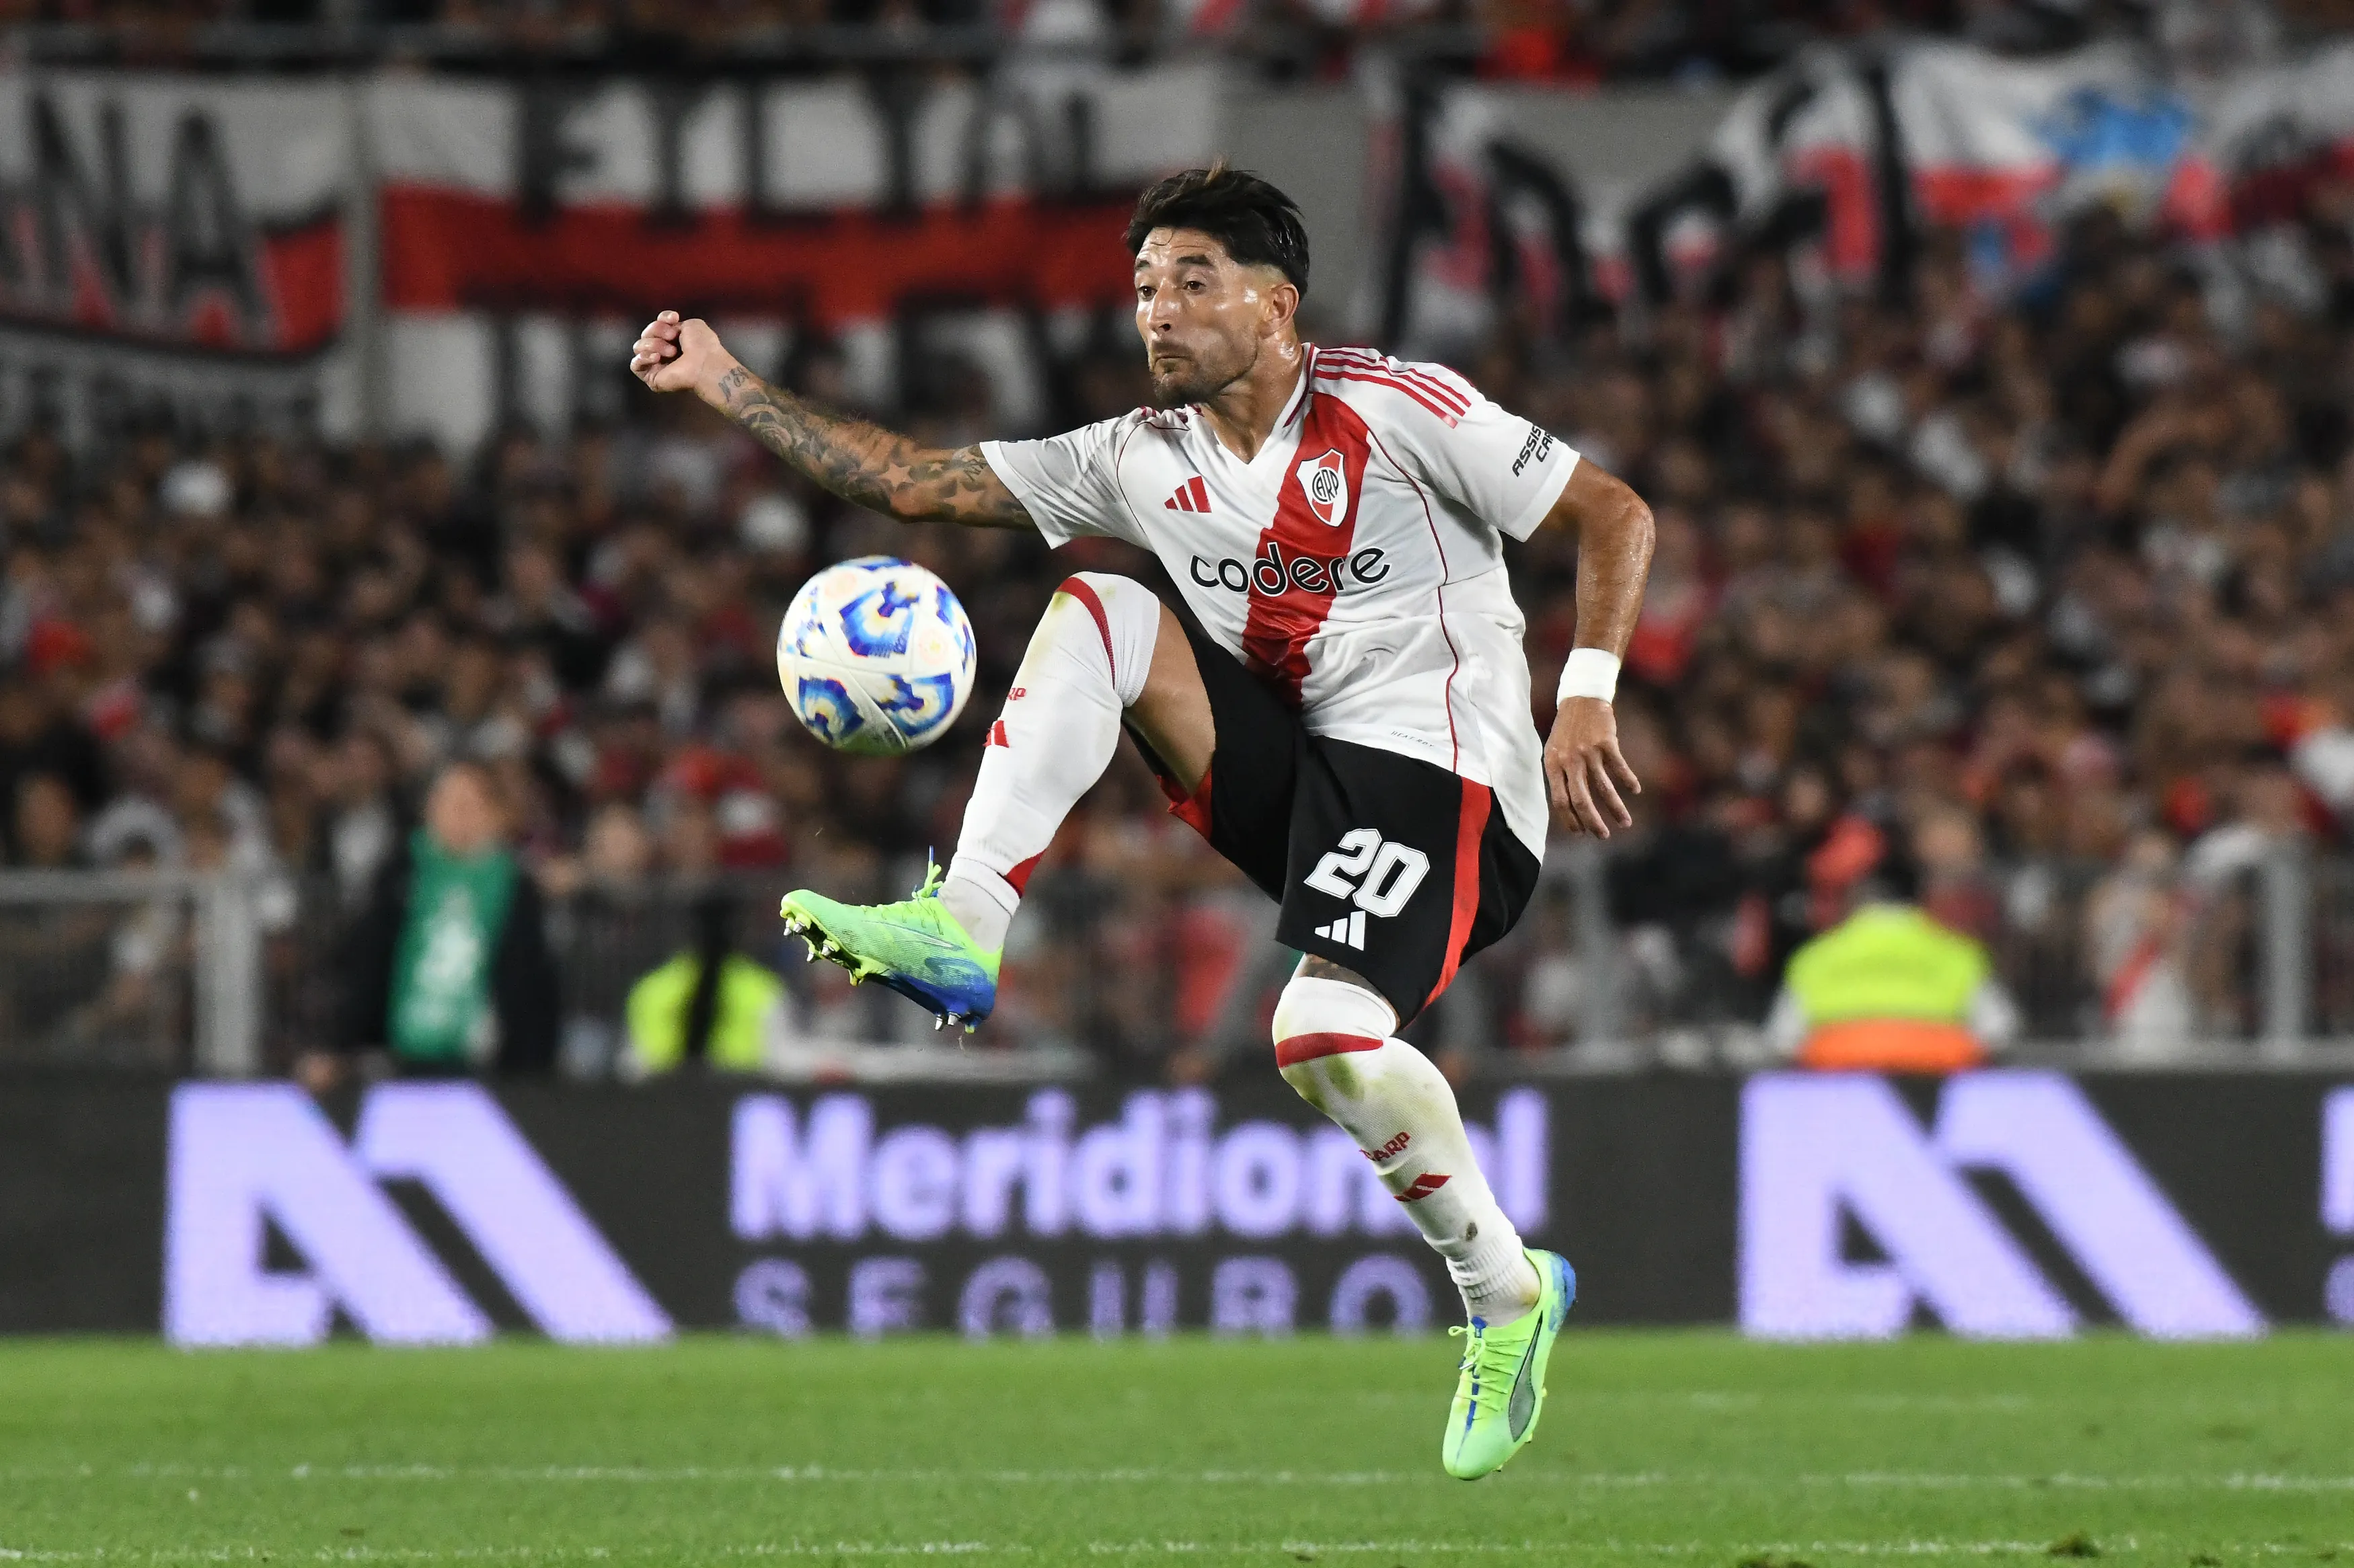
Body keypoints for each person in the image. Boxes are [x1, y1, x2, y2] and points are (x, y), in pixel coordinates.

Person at [630, 163, 1655, 1481]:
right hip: (1303, 778)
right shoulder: (1135, 456)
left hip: (1446, 779)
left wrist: (1585, 699)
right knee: (1100, 606)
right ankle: (963, 921)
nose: (1157, 311)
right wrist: (724, 380)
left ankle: (1504, 1286)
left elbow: (1611, 514)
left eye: (1191, 281)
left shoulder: (1399, 410)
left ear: (1278, 303)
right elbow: (910, 481)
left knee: (1322, 1033)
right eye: (1142, 288)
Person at [303, 761, 559, 1091]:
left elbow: (533, 982)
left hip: (486, 1064)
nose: (458, 816)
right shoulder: (402, 874)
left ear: (492, 814)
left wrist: (532, 1066)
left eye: (469, 805)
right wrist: (337, 1046)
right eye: (448, 803)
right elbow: (368, 963)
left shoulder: (515, 885)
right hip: (401, 1058)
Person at [1763, 855, 2021, 1072]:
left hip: (1838, 1085)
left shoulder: (1815, 957)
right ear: (1921, 899)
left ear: (1855, 900)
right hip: (1937, 1084)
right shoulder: (1959, 954)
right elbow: (2000, 1030)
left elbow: (1783, 1040)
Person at [619, 890, 787, 1079]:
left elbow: (632, 1064)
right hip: (739, 1093)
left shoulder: (652, 988)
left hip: (664, 1097)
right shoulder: (761, 988)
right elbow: (780, 1059)